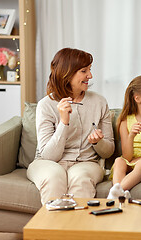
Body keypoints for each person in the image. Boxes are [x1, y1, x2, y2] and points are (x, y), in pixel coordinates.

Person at [27, 48, 115, 204]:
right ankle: (53, 228)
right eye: (84, 71)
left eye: (89, 70)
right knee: (53, 176)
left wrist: (98, 142)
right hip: (47, 163)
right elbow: (49, 156)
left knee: (81, 179)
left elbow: (108, 152)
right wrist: (64, 122)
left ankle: (77, 228)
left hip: (86, 163)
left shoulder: (99, 102)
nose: (90, 75)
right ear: (66, 74)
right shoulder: (46, 105)